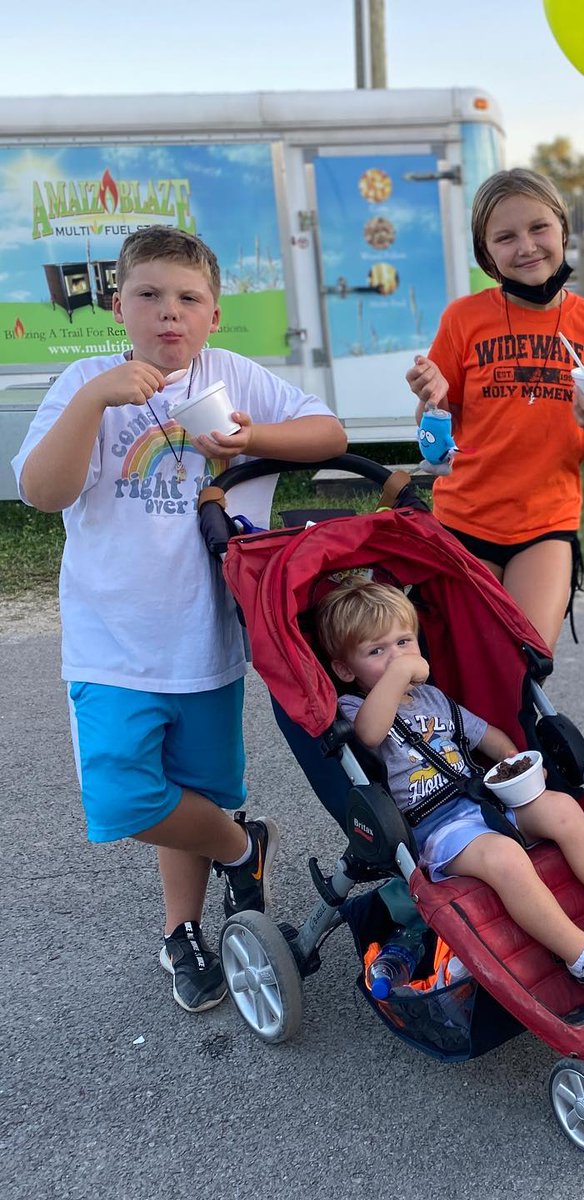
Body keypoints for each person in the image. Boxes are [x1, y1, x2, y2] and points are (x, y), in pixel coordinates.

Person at [11, 225, 348, 1014]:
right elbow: (42, 491)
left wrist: (249, 438)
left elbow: (329, 434)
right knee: (128, 799)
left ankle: (181, 931)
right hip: (111, 644)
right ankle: (243, 845)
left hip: (208, 640)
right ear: (118, 304)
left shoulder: (234, 379)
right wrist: (97, 399)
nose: (170, 313)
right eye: (150, 295)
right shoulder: (86, 380)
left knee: (191, 787)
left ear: (213, 314)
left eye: (188, 299)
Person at [315, 578, 584, 1001]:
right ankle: (581, 955)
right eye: (377, 651)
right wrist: (397, 675)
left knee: (561, 807)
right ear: (346, 670)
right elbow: (371, 733)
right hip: (437, 832)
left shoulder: (434, 699)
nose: (397, 658)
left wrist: (515, 766)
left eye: (404, 642)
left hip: (482, 803)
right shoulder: (356, 707)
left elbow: (488, 737)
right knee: (506, 856)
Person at [404, 168, 584, 653]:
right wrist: (430, 399)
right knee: (460, 664)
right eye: (505, 237)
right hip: (464, 518)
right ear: (486, 253)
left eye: (538, 228)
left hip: (546, 524)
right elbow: (433, 443)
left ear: (562, 230)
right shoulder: (463, 318)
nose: (526, 246)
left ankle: (520, 732)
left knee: (524, 660)